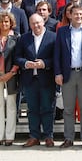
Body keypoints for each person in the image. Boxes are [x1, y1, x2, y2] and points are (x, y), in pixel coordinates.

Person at [54, 4, 82, 149]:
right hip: (68, 74)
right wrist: (58, 73)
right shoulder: (62, 32)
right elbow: (57, 54)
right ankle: (68, 138)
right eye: (76, 14)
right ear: (70, 15)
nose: (79, 17)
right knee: (68, 109)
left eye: (81, 14)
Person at [15, 13, 56, 148]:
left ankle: (48, 136)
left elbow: (57, 58)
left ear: (43, 22)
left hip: (47, 78)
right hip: (30, 79)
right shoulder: (24, 38)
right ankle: (34, 136)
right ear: (30, 24)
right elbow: (17, 57)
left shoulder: (53, 37)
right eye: (33, 23)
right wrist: (26, 63)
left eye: (38, 22)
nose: (36, 25)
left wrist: (44, 63)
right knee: (32, 109)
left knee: (47, 108)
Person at [0, 12, 19, 146]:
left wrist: (11, 72)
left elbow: (18, 58)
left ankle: (9, 136)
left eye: (6, 22)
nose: (4, 24)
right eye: (1, 22)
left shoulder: (17, 37)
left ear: (11, 23)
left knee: (11, 105)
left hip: (11, 75)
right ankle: (0, 135)